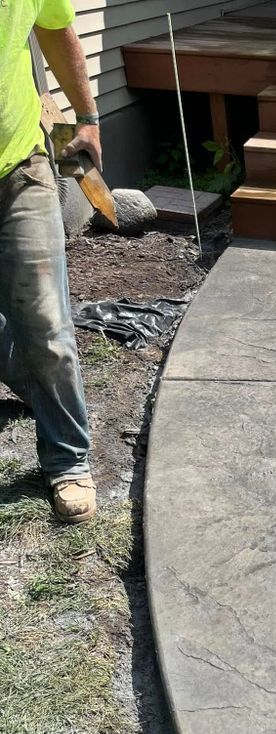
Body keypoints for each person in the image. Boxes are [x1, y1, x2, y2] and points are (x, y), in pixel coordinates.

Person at [0, 0, 103, 523]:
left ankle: (68, 460)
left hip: (20, 169)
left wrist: (86, 120)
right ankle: (28, 381)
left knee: (46, 321)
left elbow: (57, 29)